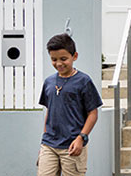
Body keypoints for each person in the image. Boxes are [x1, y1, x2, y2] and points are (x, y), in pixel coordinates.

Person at [37, 34, 103, 176]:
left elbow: (93, 113)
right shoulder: (49, 82)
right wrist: (44, 140)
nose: (59, 63)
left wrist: (81, 138)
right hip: (49, 145)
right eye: (54, 59)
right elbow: (49, 112)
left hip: (72, 146)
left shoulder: (84, 81)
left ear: (75, 56)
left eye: (63, 59)